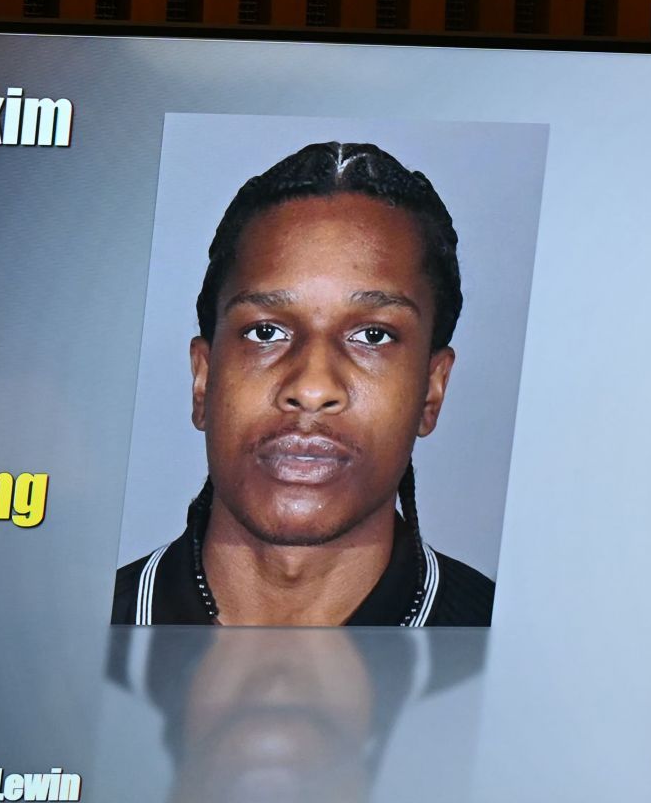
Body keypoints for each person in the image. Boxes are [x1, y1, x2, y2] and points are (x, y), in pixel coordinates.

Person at [114, 141, 495, 626]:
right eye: (265, 332)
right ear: (203, 379)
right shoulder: (63, 629)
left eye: (372, 336)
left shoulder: (513, 647)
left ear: (431, 390)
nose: (312, 388)